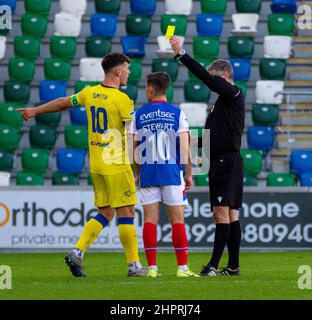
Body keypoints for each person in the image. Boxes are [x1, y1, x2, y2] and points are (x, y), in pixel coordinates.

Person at [17, 53, 147, 278]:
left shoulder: (89, 92)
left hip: (97, 164)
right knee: (126, 213)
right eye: (126, 69)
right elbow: (132, 138)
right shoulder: (123, 101)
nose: (129, 72)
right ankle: (134, 266)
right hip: (117, 164)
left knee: (105, 212)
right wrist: (138, 170)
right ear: (117, 71)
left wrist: (35, 111)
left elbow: (63, 103)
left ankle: (77, 252)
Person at [169, 36, 245, 276]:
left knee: (220, 213)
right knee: (230, 214)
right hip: (226, 161)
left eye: (214, 78)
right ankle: (232, 266)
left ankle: (212, 266)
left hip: (226, 162)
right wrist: (193, 141)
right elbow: (217, 137)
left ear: (223, 76)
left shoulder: (232, 93)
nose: (210, 83)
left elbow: (207, 79)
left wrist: (182, 54)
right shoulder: (223, 104)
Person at [130, 72, 199, 278]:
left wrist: (138, 173)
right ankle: (182, 268)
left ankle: (152, 268)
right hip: (171, 172)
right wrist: (188, 173)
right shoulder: (177, 114)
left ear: (151, 89)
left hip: (149, 173)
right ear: (166, 88)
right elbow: (185, 146)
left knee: (150, 221)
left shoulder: (138, 115)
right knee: (177, 220)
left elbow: (131, 148)